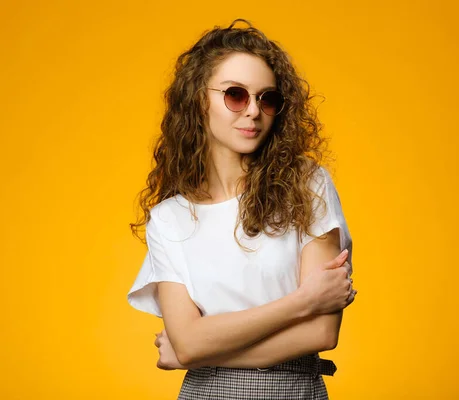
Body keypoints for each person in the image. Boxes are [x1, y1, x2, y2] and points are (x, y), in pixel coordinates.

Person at [126, 18, 356, 400]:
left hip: (292, 391)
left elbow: (321, 333)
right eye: (235, 94)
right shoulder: (170, 218)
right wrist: (303, 301)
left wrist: (200, 350)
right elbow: (188, 344)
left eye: (267, 98)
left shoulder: (307, 185)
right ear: (200, 99)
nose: (253, 111)